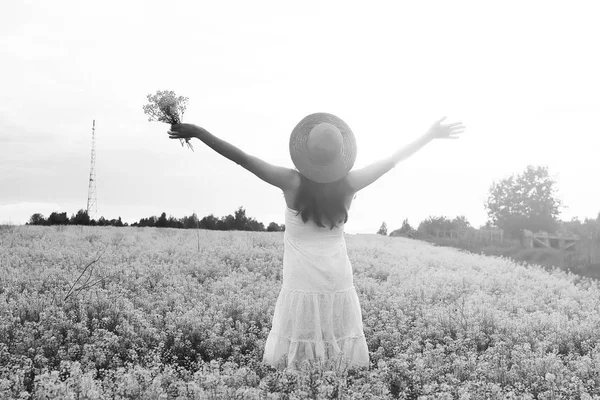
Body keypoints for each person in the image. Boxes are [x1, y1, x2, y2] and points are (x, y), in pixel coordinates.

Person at [168, 113, 465, 371]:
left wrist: (199, 132)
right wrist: (429, 135)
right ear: (339, 156)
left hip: (302, 279)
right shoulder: (349, 184)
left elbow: (243, 159)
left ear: (306, 153)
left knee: (299, 350)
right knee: (336, 348)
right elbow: (391, 161)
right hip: (337, 277)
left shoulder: (292, 182)